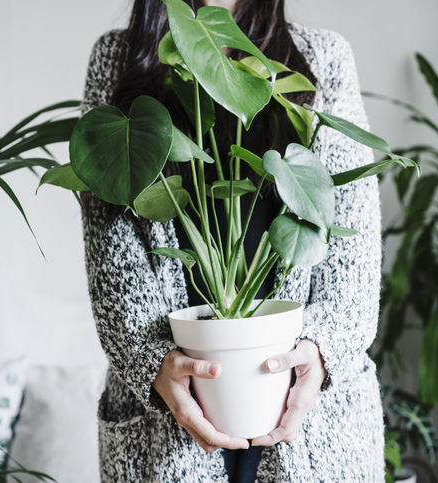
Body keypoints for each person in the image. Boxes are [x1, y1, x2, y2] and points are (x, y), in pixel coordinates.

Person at [79, 0, 384, 481]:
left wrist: (323, 351)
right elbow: (108, 233)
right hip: (166, 412)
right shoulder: (118, 58)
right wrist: (152, 362)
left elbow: (352, 236)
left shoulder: (320, 57)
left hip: (308, 412)